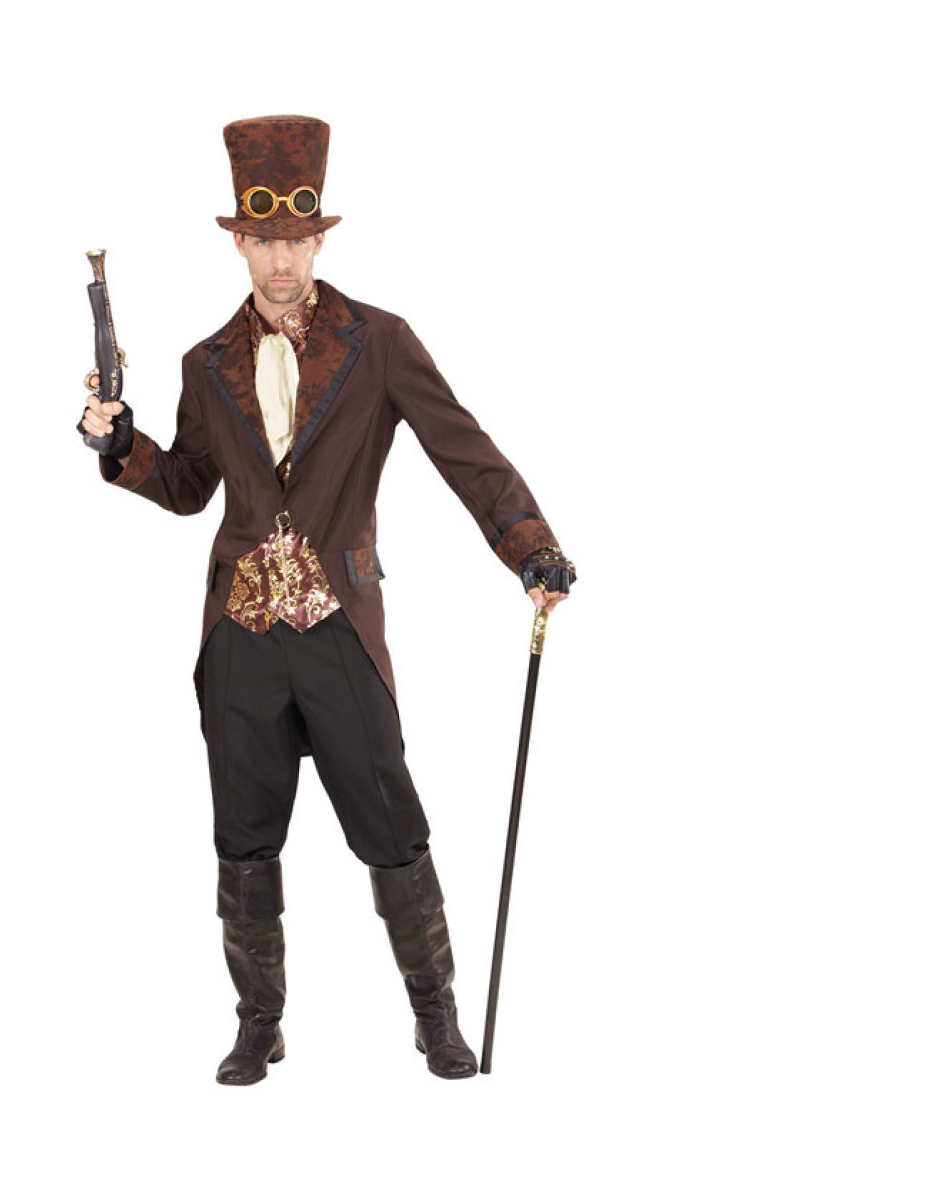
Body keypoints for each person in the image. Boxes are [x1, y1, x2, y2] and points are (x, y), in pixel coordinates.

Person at [78, 115, 573, 1085]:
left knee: (390, 825)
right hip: (238, 635)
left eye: (296, 239)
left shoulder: (378, 342)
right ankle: (258, 1025)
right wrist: (121, 442)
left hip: (339, 624)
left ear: (317, 239)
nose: (281, 260)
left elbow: (463, 451)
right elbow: (188, 487)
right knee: (243, 838)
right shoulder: (203, 363)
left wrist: (530, 545)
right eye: (263, 240)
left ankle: (435, 1018)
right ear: (238, 241)